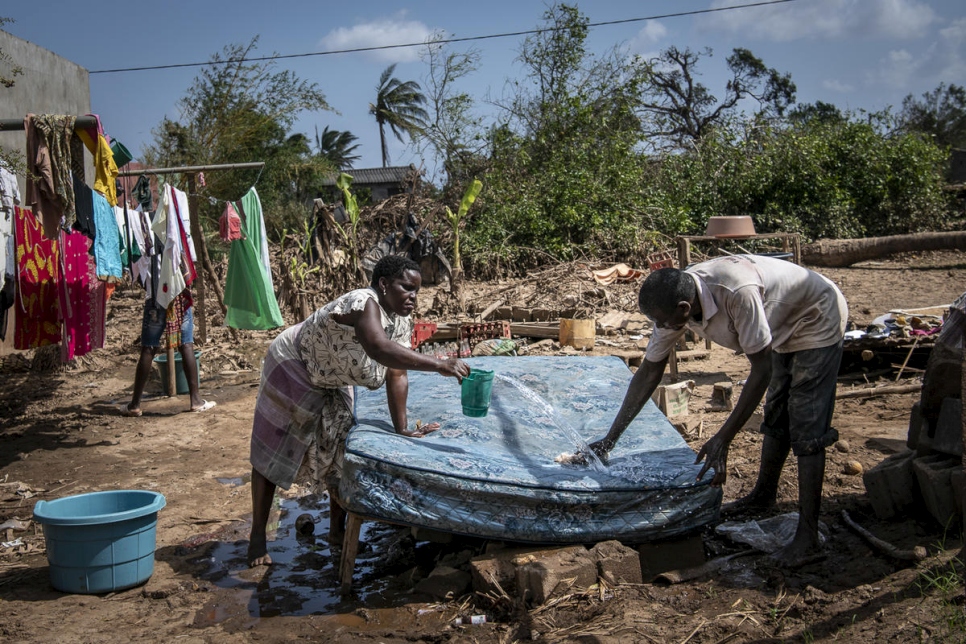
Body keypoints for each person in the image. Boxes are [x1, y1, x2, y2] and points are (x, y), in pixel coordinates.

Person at [589, 254, 848, 566]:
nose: (660, 327)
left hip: (816, 314)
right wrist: (609, 440)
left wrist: (723, 437)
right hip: (781, 322)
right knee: (778, 411)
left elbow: (761, 372)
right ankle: (763, 497)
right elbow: (648, 372)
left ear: (684, 309)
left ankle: (807, 538)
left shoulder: (737, 293)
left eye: (662, 321)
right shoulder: (676, 301)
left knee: (806, 422)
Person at [247, 255, 470, 566]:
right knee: (275, 448)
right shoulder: (363, 302)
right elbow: (378, 347)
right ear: (383, 284)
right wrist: (439, 364)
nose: (413, 296)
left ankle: (337, 535)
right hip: (294, 363)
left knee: (343, 450)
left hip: (332, 377)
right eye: (406, 288)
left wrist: (402, 427)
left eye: (417, 290)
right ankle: (258, 537)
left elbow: (397, 371)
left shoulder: (401, 321)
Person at [120, 292, 214, 416]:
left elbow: (139, 276)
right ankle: (196, 400)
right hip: (178, 297)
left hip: (155, 299)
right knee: (186, 344)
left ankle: (134, 405)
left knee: (148, 348)